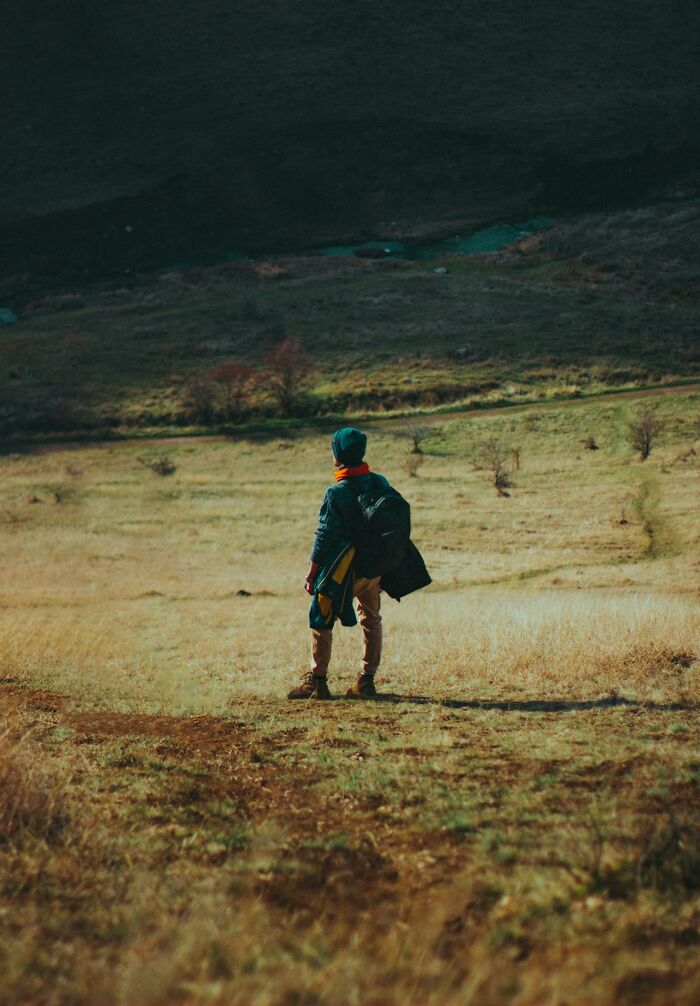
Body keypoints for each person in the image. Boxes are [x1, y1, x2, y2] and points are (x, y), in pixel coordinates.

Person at [287, 427, 430, 701]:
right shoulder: (379, 481)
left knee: (321, 616)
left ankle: (317, 682)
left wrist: (312, 572)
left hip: (345, 570)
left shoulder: (336, 492)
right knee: (371, 618)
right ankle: (366, 681)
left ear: (338, 454)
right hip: (376, 567)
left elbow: (324, 535)